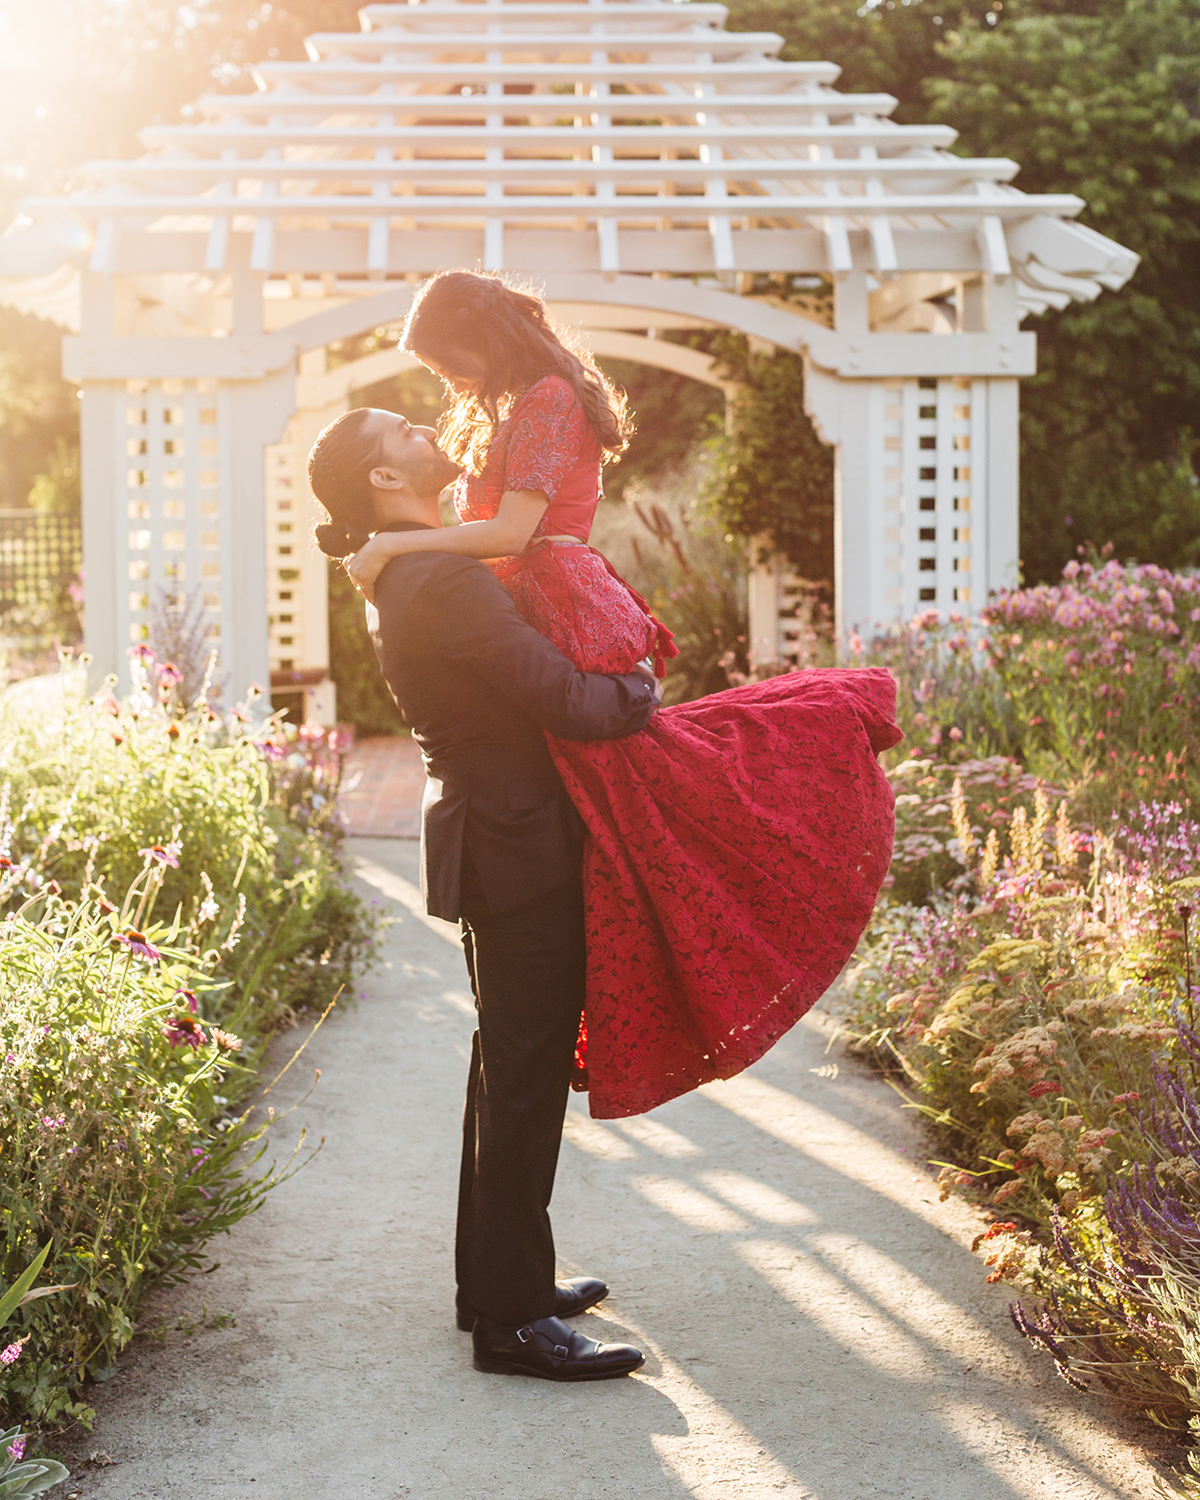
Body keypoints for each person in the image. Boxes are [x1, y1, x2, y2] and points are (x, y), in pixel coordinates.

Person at [342, 270, 902, 1120]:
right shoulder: (496, 408)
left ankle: (817, 749)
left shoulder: (545, 398)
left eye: (443, 359)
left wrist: (388, 546)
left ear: (477, 334)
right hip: (519, 610)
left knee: (661, 778)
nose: (442, 380)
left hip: (554, 591)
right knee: (641, 798)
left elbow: (507, 534)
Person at [310, 409, 652, 1381]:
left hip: (496, 841)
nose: (430, 427)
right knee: (523, 1077)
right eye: (406, 427)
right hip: (515, 850)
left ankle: (498, 1286)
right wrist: (643, 684)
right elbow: (572, 701)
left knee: (509, 1069)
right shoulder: (440, 579)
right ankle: (510, 1324)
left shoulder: (408, 568)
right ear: (384, 474)